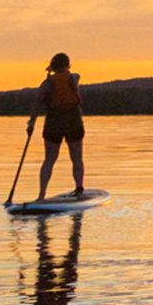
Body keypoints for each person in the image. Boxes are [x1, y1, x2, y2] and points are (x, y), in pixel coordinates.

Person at [33, 53, 87, 200]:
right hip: (72, 121)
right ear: (67, 65)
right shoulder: (73, 78)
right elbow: (75, 76)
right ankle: (79, 188)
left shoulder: (47, 83)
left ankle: (41, 194)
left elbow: (37, 103)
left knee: (49, 159)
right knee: (76, 157)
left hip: (54, 122)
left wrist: (32, 122)